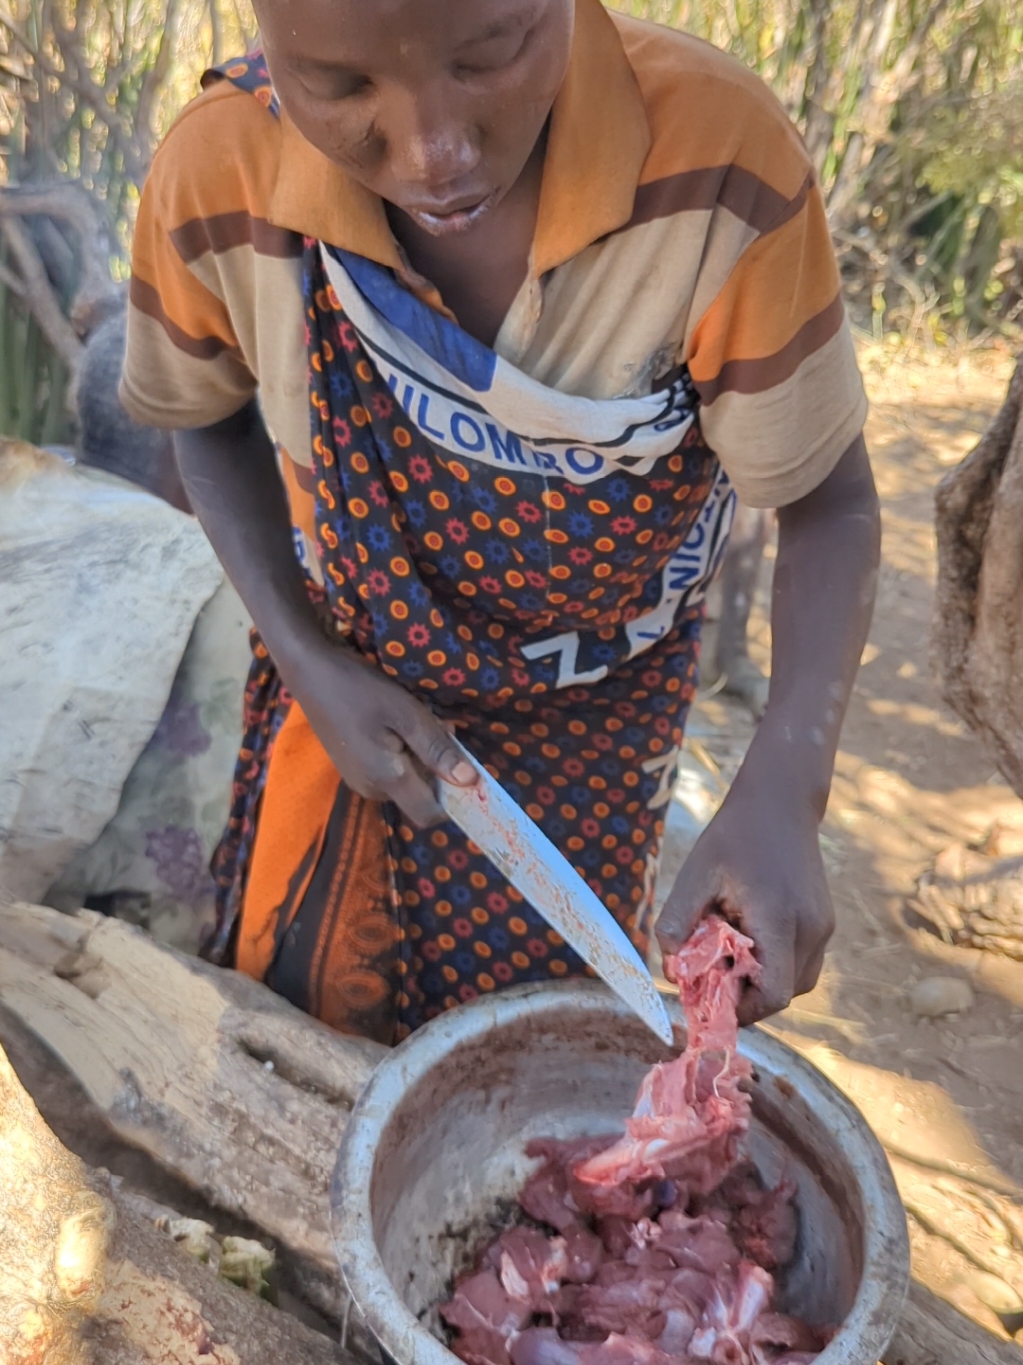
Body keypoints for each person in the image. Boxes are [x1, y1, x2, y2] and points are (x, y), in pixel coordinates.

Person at [120, 0, 880, 1046]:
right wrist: (305, 657)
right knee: (302, 1047)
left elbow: (828, 501)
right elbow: (203, 427)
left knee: (545, 1066)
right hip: (351, 704)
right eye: (340, 88)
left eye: (492, 56)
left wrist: (786, 786)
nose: (436, 155)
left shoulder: (716, 170)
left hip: (596, 731)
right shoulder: (222, 174)